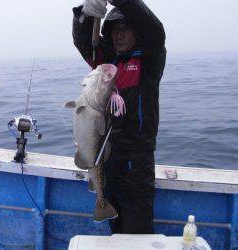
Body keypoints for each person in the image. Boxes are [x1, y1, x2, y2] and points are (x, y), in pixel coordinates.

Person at [72, 0, 166, 234]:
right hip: (106, 158)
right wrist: (84, 14)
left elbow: (154, 30)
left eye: (126, 28)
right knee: (116, 227)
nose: (119, 35)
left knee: (136, 231)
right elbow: (83, 40)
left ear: (136, 31)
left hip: (138, 163)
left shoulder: (150, 61)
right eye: (114, 29)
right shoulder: (104, 62)